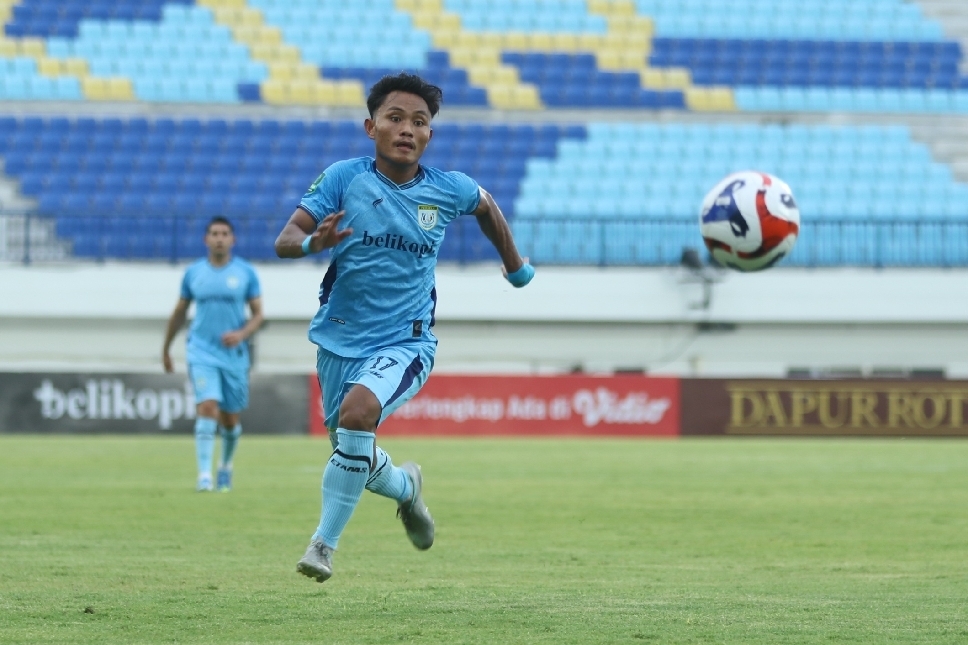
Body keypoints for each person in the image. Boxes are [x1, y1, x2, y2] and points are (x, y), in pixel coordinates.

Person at [274, 72, 535, 583]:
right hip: (338, 339)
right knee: (353, 450)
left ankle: (322, 547)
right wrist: (313, 245)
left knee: (358, 414)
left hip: (407, 341)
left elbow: (486, 205)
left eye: (420, 121)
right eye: (395, 118)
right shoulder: (343, 179)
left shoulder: (446, 188)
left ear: (429, 135)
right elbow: (287, 239)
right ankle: (406, 487)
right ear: (371, 127)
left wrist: (514, 264)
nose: (407, 129)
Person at [163, 216, 264, 493]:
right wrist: (166, 348)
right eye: (214, 233)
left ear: (233, 239)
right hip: (201, 350)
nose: (219, 238)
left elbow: (258, 315)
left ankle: (225, 467)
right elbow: (180, 312)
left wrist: (242, 334)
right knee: (207, 406)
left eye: (224, 233)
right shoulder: (194, 273)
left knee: (230, 418)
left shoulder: (246, 273)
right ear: (206, 239)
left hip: (233, 354)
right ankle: (204, 475)